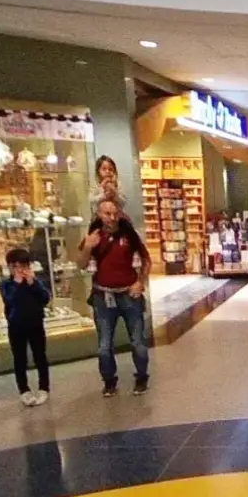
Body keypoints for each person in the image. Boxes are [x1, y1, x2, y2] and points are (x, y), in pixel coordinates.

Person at [77, 197, 152, 397]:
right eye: (106, 213)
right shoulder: (93, 237)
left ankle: (142, 377)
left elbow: (146, 260)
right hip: (103, 296)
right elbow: (81, 265)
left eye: (114, 213)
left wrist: (140, 282)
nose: (111, 218)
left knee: (138, 342)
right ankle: (109, 381)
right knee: (104, 346)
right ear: (98, 215)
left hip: (129, 295)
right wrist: (87, 247)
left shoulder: (129, 235)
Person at [1, 248, 51, 407]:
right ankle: (24, 390)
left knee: (40, 356)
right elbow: (9, 300)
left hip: (36, 324)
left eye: (23, 266)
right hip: (16, 326)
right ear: (9, 267)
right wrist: (17, 283)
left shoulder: (35, 282)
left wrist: (33, 284)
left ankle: (44, 388)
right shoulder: (7, 284)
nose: (19, 270)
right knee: (20, 359)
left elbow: (45, 299)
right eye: (15, 266)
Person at [87, 156, 129, 234]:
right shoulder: (95, 185)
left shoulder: (118, 184)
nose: (107, 171)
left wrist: (115, 193)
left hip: (117, 218)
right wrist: (102, 192)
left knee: (129, 231)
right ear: (98, 171)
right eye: (104, 169)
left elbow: (123, 201)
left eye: (110, 169)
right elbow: (91, 200)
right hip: (100, 219)